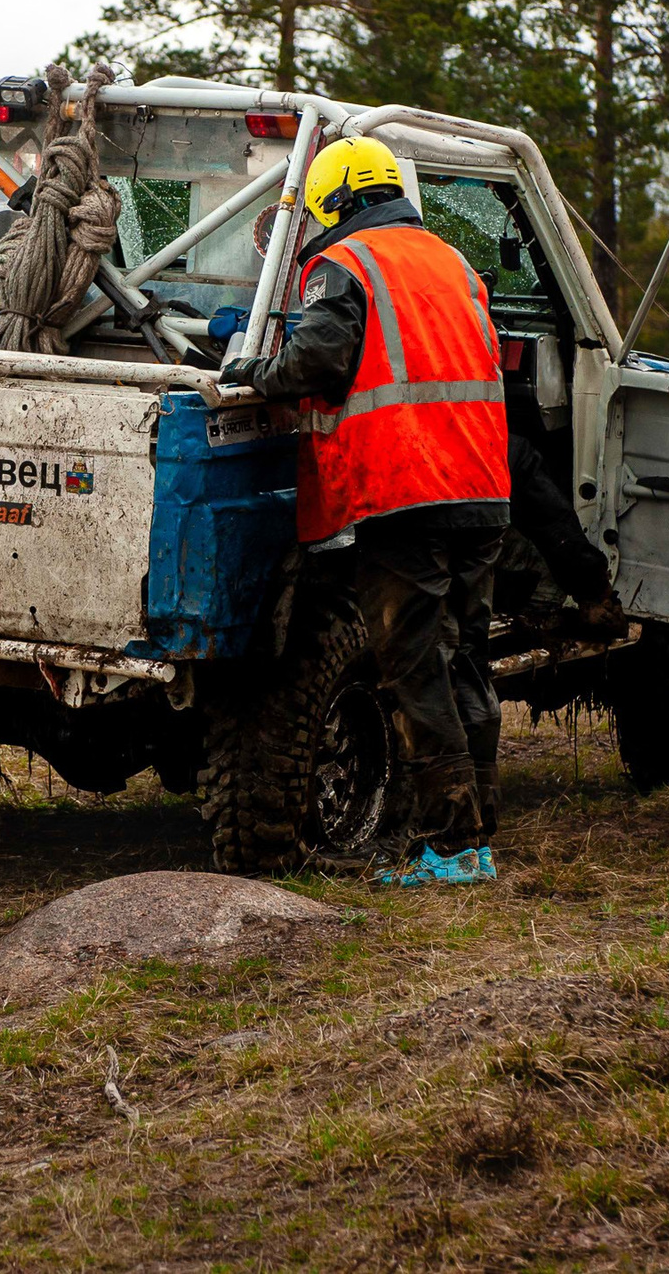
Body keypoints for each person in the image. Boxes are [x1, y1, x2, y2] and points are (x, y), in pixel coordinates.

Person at [220, 135, 516, 889]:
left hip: (406, 492)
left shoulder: (344, 265)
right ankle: (478, 836)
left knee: (415, 670)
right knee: (466, 662)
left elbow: (315, 360)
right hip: (482, 487)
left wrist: (250, 370)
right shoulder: (453, 262)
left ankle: (449, 849)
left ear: (333, 201)